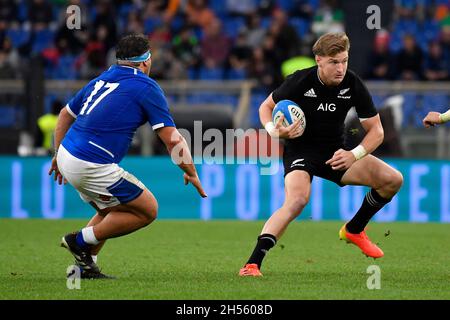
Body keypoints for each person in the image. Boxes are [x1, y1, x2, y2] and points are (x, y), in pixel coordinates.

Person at [239, 32, 403, 277]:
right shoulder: (300, 81)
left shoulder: (353, 83)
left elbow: (376, 131)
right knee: (297, 200)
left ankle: (354, 229)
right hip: (301, 151)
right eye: (334, 62)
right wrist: (274, 130)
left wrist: (354, 154)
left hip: (337, 154)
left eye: (344, 61)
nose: (341, 68)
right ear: (319, 60)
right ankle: (252, 264)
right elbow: (266, 107)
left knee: (393, 180)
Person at [49, 34, 207, 279]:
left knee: (109, 210)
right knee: (148, 210)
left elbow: (64, 114)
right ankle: (79, 240)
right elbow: (173, 139)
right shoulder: (146, 87)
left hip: (69, 154)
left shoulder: (101, 79)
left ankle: (86, 267)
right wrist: (191, 171)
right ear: (145, 61)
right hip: (91, 162)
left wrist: (58, 154)